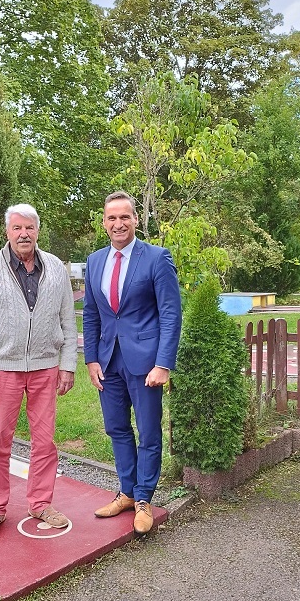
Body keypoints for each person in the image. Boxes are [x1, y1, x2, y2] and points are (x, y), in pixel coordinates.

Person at [0, 204, 77, 540]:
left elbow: (68, 321)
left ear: (37, 231)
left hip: (46, 367)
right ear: (7, 232)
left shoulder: (56, 267)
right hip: (3, 369)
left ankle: (40, 502)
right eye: (17, 228)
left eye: (29, 228)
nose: (23, 234)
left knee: (44, 443)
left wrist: (68, 365)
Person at [83, 191, 181, 535]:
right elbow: (92, 313)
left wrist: (163, 364)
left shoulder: (156, 258)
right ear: (104, 222)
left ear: (136, 220)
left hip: (146, 364)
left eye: (125, 217)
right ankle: (126, 492)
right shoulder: (94, 261)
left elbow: (171, 313)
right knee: (117, 428)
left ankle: (143, 499)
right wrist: (91, 358)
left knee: (149, 433)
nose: (118, 224)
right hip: (108, 362)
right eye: (112, 218)